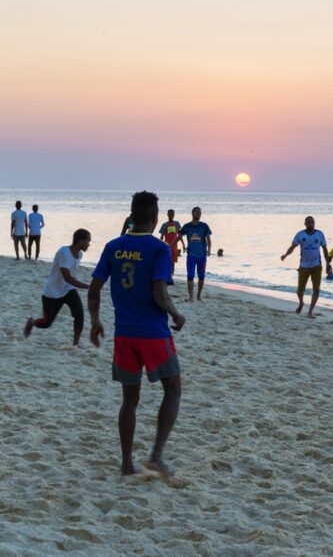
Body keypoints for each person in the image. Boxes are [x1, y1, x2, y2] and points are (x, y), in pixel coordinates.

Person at [88, 190, 185, 477]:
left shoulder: (112, 246)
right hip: (153, 333)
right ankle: (155, 455)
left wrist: (95, 321)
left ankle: (127, 463)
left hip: (124, 334)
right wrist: (177, 314)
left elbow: (94, 289)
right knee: (174, 389)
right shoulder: (159, 249)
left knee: (129, 400)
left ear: (130, 216)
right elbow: (160, 293)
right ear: (156, 219)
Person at [25, 229, 91, 345]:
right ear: (80, 241)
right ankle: (32, 322)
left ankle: (75, 344)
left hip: (69, 289)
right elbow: (67, 278)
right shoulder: (64, 252)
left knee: (79, 314)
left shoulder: (79, 254)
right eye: (87, 241)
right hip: (53, 292)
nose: (88, 244)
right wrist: (88, 286)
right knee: (46, 323)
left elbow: (69, 280)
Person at [281, 216, 330, 318]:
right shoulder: (300, 235)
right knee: (299, 290)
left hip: (317, 265)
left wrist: (328, 264)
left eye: (312, 222)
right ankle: (301, 302)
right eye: (308, 223)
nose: (311, 224)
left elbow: (325, 249)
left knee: (316, 290)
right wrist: (286, 255)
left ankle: (310, 311)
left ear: (314, 223)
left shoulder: (320, 234)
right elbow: (293, 247)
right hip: (304, 266)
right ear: (305, 224)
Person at [179, 207, 212, 302]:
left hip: (202, 255)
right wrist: (171, 245)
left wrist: (209, 250)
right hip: (191, 255)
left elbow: (209, 239)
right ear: (192, 213)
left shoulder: (204, 226)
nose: (199, 214)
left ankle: (198, 295)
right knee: (190, 275)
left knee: (201, 275)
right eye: (197, 212)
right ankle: (191, 296)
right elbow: (179, 236)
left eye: (200, 212)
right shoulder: (187, 226)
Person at [158, 209, 184, 276]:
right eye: (170, 214)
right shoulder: (164, 225)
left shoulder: (177, 224)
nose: (171, 215)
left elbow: (179, 235)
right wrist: (159, 245)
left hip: (174, 246)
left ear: (174, 215)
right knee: (167, 260)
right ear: (167, 215)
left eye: (172, 214)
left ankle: (172, 275)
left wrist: (183, 245)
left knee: (173, 262)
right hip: (166, 245)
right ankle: (167, 274)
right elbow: (161, 237)